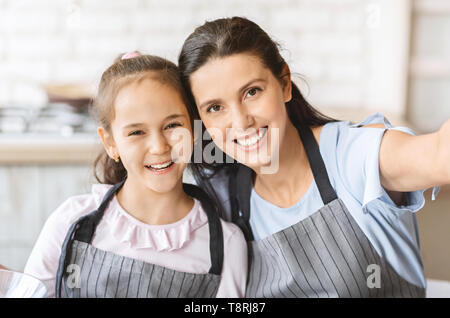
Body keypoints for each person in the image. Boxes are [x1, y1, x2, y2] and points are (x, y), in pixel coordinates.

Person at [178, 17, 450, 297]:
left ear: (284, 83)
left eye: (252, 92)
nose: (240, 121)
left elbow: (440, 155)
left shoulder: (351, 155)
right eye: (214, 108)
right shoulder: (223, 194)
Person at [23, 52, 247, 298]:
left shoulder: (227, 244)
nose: (159, 147)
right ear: (110, 143)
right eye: (136, 132)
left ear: (193, 129)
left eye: (172, 125)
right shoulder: (71, 221)